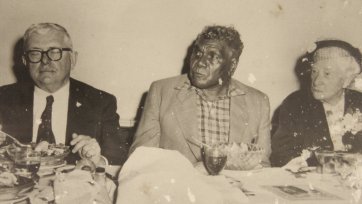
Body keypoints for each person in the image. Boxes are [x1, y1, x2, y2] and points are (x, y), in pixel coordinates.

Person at [130, 25, 271, 166]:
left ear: (232, 65)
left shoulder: (258, 102)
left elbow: (262, 166)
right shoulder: (161, 91)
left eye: (212, 57)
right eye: (197, 54)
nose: (200, 63)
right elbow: (141, 160)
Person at [0, 23, 128, 165]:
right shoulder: (3, 99)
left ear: (72, 60)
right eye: (35, 53)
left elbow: (117, 158)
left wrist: (97, 160)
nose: (45, 60)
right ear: (25, 61)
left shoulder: (101, 102)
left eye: (54, 52)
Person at [270, 39, 362, 167]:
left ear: (346, 80)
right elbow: (281, 155)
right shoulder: (295, 104)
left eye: (327, 74)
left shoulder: (359, 103)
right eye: (314, 71)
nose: (317, 81)